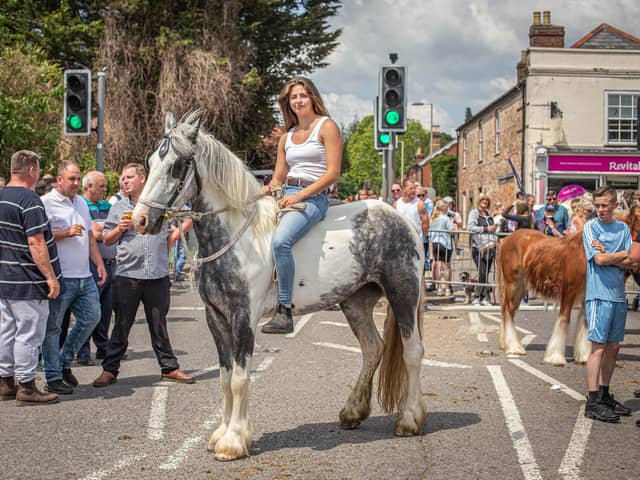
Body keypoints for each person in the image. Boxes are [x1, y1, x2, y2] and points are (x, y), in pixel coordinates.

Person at [93, 163, 194, 387]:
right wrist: (119, 228)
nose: (124, 181)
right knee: (122, 324)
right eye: (123, 178)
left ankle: (169, 367)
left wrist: (173, 236)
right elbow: (106, 239)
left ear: (142, 179)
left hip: (157, 273)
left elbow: (189, 215)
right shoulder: (118, 207)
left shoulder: (161, 203)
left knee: (159, 324)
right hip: (128, 274)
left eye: (129, 177)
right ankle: (110, 370)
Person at [261, 77, 342, 334]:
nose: (298, 101)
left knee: (280, 241)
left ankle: (284, 309)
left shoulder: (327, 127)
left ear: (312, 98)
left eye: (302, 96)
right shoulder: (287, 136)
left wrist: (299, 197)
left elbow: (332, 174)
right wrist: (273, 192)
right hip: (288, 193)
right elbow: (278, 176)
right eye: (293, 97)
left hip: (313, 197)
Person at [0, 150, 61, 405]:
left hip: (5, 279)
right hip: (28, 280)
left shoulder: (1, 197)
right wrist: (51, 277)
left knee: (6, 331)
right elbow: (36, 242)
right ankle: (27, 386)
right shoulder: (30, 200)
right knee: (28, 333)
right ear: (32, 171)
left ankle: (5, 381)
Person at [41, 161, 106, 395]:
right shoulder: (46, 203)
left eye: (78, 179)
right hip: (61, 276)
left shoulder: (80, 202)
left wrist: (99, 263)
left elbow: (90, 237)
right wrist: (65, 233)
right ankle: (53, 376)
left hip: (84, 275)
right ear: (59, 180)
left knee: (92, 317)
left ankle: (64, 360)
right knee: (53, 328)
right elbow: (40, 237)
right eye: (71, 179)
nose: (76, 184)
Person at [582, 185, 635, 423]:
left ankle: (604, 394)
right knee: (599, 348)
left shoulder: (623, 228)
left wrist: (611, 256)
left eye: (605, 205)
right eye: (598, 205)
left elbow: (632, 262)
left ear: (614, 205)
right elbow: (600, 259)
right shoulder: (590, 227)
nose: (601, 210)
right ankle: (592, 401)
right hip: (598, 295)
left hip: (618, 295)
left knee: (614, 347)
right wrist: (618, 256)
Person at [77, 171, 117, 362]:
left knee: (106, 309)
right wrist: (104, 230)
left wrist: (104, 230)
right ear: (89, 187)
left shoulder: (106, 205)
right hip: (90, 264)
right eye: (101, 186)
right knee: (89, 309)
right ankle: (83, 351)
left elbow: (112, 228)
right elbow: (94, 232)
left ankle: (102, 346)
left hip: (110, 264)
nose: (104, 189)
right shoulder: (81, 204)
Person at [467, 192, 498, 305]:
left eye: (487, 200)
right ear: (479, 201)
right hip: (478, 248)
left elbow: (493, 231)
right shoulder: (474, 213)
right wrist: (485, 229)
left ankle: (483, 297)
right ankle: (477, 296)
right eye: (482, 199)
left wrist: (493, 243)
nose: (485, 201)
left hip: (490, 247)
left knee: (486, 273)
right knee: (482, 272)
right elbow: (470, 228)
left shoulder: (489, 215)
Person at [394, 179, 430, 247]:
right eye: (411, 188)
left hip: (415, 243)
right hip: (400, 242)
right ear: (403, 189)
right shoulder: (396, 204)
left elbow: (425, 225)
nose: (413, 190)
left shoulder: (419, 204)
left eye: (414, 188)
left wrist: (423, 237)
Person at [429, 200, 454, 296]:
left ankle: (439, 288)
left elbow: (430, 234)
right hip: (445, 243)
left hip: (435, 243)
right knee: (447, 267)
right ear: (444, 208)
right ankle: (447, 288)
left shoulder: (433, 219)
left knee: (438, 266)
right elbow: (451, 232)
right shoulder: (446, 218)